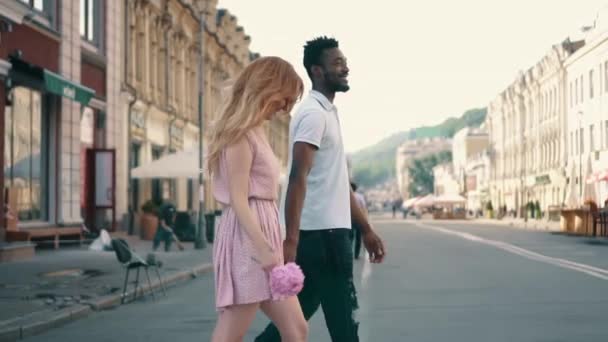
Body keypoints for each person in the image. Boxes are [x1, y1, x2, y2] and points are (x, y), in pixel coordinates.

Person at [256, 36, 386, 342]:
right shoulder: (314, 114)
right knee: (343, 319)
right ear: (317, 70)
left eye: (344, 62)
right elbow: (298, 176)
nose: (345, 68)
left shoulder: (327, 112)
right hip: (323, 236)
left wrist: (365, 229)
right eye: (337, 63)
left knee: (301, 311)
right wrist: (290, 238)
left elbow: (339, 183)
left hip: (329, 233)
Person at [208, 57, 308, 342]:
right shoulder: (239, 133)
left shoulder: (257, 130)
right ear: (267, 87)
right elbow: (238, 198)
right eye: (285, 98)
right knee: (230, 334)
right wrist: (263, 247)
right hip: (248, 238)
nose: (286, 108)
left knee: (296, 329)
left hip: (263, 233)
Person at [350, 182, 367, 259]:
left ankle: (349, 253)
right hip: (358, 219)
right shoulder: (360, 196)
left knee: (350, 237)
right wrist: (365, 218)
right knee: (358, 238)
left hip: (349, 219)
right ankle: (356, 255)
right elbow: (363, 208)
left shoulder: (345, 196)